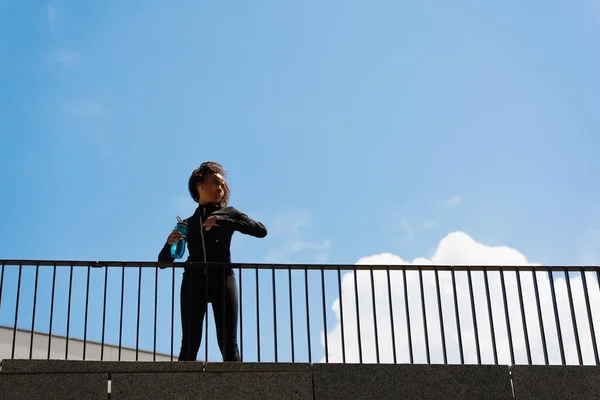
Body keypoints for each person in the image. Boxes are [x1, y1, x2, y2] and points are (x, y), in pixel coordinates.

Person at [158, 161, 267, 362]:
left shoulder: (228, 213)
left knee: (228, 343)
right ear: (199, 185)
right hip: (193, 281)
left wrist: (224, 221)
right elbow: (163, 262)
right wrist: (168, 244)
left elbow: (261, 230)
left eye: (223, 185)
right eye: (216, 182)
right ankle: (180, 391)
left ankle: (238, 391)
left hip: (223, 279)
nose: (221, 188)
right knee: (189, 343)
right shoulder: (187, 223)